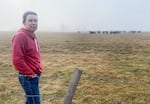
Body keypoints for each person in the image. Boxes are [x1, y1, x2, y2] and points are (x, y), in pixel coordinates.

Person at [12, 11, 43, 104]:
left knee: (30, 101)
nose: (33, 23)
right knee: (34, 102)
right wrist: (30, 74)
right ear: (24, 22)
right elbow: (17, 60)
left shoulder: (33, 36)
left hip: (34, 75)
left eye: (35, 20)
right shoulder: (21, 36)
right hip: (28, 77)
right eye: (30, 20)